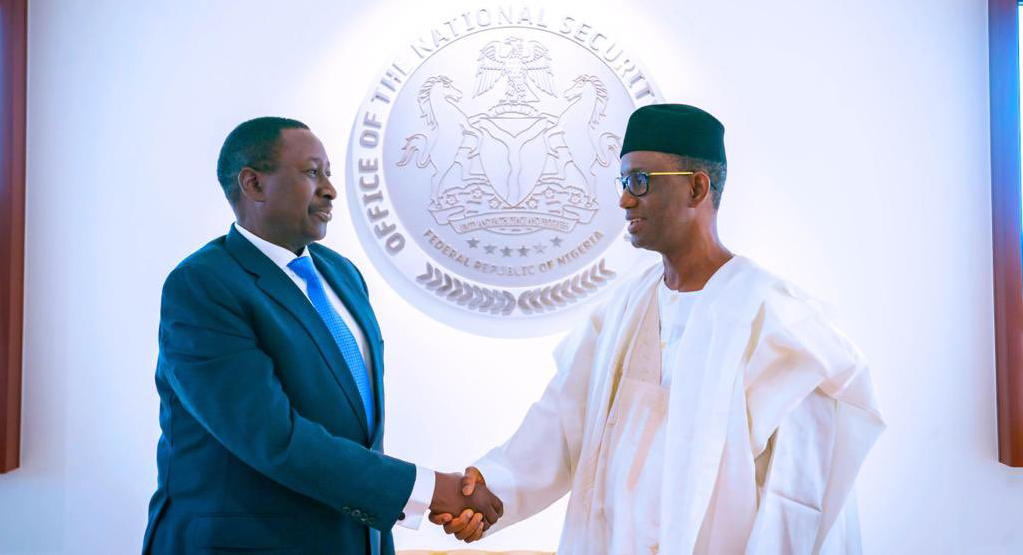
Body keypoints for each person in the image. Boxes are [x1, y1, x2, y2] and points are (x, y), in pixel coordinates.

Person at [432, 104, 884, 554]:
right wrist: (487, 489)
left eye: (640, 181)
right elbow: (560, 424)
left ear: (696, 188)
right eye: (623, 182)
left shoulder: (779, 326)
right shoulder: (622, 310)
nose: (625, 200)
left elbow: (796, 505)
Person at [142, 117, 502, 555]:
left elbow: (357, 434)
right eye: (312, 173)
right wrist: (428, 490)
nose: (330, 189)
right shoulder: (202, 286)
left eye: (328, 173)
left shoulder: (342, 274)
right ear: (254, 184)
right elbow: (272, 436)